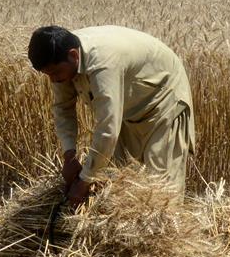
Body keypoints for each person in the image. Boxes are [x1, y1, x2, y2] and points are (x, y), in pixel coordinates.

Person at [27, 25, 195, 208]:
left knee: (159, 189)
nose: (53, 80)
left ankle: (166, 233)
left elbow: (108, 130)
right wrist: (69, 156)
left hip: (163, 100)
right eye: (48, 75)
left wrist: (83, 182)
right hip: (131, 106)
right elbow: (62, 109)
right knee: (120, 178)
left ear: (74, 56)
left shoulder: (103, 64)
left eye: (56, 73)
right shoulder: (61, 61)